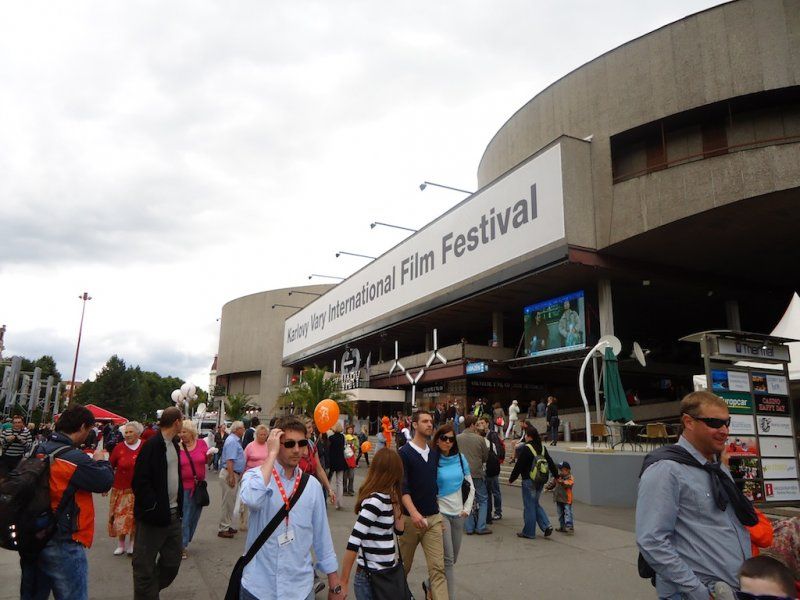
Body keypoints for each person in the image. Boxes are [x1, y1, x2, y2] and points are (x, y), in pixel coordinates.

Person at [636, 391, 755, 599]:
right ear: (688, 422)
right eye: (714, 423)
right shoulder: (666, 470)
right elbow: (652, 540)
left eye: (727, 423)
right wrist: (698, 592)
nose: (724, 430)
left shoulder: (717, 467)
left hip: (730, 590)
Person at [238, 416, 345, 600]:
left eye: (301, 443)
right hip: (258, 587)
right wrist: (270, 455)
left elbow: (322, 535)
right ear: (276, 444)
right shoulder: (255, 477)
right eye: (289, 444)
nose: (297, 450)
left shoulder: (311, 486)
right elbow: (253, 499)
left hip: (300, 589)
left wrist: (333, 580)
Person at [19, 404, 114, 600]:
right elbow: (104, 481)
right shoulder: (72, 457)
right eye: (88, 430)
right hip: (61, 536)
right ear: (81, 427)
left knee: (33, 593)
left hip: (32, 533)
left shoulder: (38, 448)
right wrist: (102, 460)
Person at [131, 407, 184, 600]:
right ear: (176, 422)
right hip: (153, 517)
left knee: (172, 562)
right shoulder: (152, 445)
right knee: (143, 564)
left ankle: (150, 591)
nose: (183, 424)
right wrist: (152, 506)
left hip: (173, 515)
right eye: (182, 420)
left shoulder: (174, 444)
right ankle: (147, 595)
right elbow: (139, 481)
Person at [340, 448, 407, 600]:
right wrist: (343, 582)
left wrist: (397, 499)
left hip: (387, 574)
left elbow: (400, 529)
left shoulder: (388, 497)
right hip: (370, 576)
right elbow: (353, 542)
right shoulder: (375, 502)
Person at [398, 410, 448, 600]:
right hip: (410, 520)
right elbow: (403, 488)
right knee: (403, 568)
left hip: (433, 520)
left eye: (431, 421)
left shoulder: (434, 455)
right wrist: (414, 513)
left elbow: (433, 486)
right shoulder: (404, 453)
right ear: (415, 425)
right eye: (425, 421)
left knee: (438, 570)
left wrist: (438, 515)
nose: (429, 424)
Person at [428, 424, 474, 600]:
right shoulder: (433, 460)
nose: (448, 442)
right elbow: (428, 488)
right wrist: (435, 514)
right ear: (437, 440)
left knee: (453, 558)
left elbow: (471, 486)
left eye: (451, 439)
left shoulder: (461, 459)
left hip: (459, 514)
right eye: (444, 438)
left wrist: (466, 509)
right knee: (448, 560)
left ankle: (430, 583)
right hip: (441, 515)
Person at [508, 425, 556, 539]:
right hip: (540, 480)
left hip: (529, 481)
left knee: (529, 505)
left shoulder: (527, 448)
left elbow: (519, 465)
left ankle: (529, 532)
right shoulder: (543, 448)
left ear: (529, 437)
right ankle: (546, 525)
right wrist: (557, 475)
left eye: (525, 435)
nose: (524, 437)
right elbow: (550, 462)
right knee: (534, 503)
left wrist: (512, 478)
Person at [108, 420, 144, 556]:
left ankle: (133, 544)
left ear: (138, 433)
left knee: (134, 518)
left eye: (130, 432)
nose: (127, 435)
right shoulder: (119, 448)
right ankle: (121, 544)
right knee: (120, 518)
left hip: (138, 490)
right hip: (121, 489)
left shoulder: (144, 446)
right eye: (126, 432)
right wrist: (106, 485)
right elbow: (109, 466)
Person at [178, 419, 208, 559]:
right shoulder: (178, 447)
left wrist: (211, 456)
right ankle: (181, 546)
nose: (181, 434)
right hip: (184, 488)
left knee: (194, 517)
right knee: (185, 518)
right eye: (180, 432)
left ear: (191, 432)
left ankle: (185, 540)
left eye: (184, 431)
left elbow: (206, 460)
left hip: (199, 487)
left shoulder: (202, 444)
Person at [456, 415, 490, 535]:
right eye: (476, 424)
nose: (477, 427)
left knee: (466, 499)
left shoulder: (457, 438)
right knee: (483, 499)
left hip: (462, 473)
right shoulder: (480, 439)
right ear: (471, 425)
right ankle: (481, 526)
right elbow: (485, 456)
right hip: (476, 472)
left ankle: (469, 527)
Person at [218, 420, 246, 538]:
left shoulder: (233, 440)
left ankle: (227, 525)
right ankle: (223, 528)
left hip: (233, 473)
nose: (244, 430)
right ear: (237, 430)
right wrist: (231, 476)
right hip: (231, 473)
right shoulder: (233, 442)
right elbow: (230, 460)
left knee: (230, 502)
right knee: (228, 503)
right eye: (242, 428)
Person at [483, 419, 503, 524]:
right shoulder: (482, 435)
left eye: (482, 423)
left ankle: (498, 511)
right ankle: (489, 513)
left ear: (487, 423)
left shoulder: (492, 435)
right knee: (488, 492)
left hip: (492, 467)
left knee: (495, 491)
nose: (481, 425)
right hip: (486, 468)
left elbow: (497, 450)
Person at [327, 422, 347, 509]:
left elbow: (328, 449)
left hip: (332, 461)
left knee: (328, 481)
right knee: (339, 482)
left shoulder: (331, 438)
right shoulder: (343, 437)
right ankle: (339, 502)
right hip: (340, 461)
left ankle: (330, 498)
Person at [552, 461, 574, 534]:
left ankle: (569, 526)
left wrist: (563, 482)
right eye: (560, 470)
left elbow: (570, 483)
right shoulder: (559, 477)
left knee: (568, 512)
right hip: (559, 498)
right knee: (560, 513)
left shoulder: (570, 477)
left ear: (568, 470)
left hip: (566, 499)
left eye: (562, 470)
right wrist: (547, 487)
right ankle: (562, 526)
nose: (560, 472)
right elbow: (553, 482)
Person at [344, 424, 358, 496]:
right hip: (345, 462)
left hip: (352, 462)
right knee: (345, 477)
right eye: (349, 429)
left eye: (351, 429)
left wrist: (355, 448)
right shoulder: (344, 440)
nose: (350, 430)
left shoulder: (354, 440)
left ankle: (350, 489)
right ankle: (344, 490)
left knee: (351, 477)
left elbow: (356, 448)